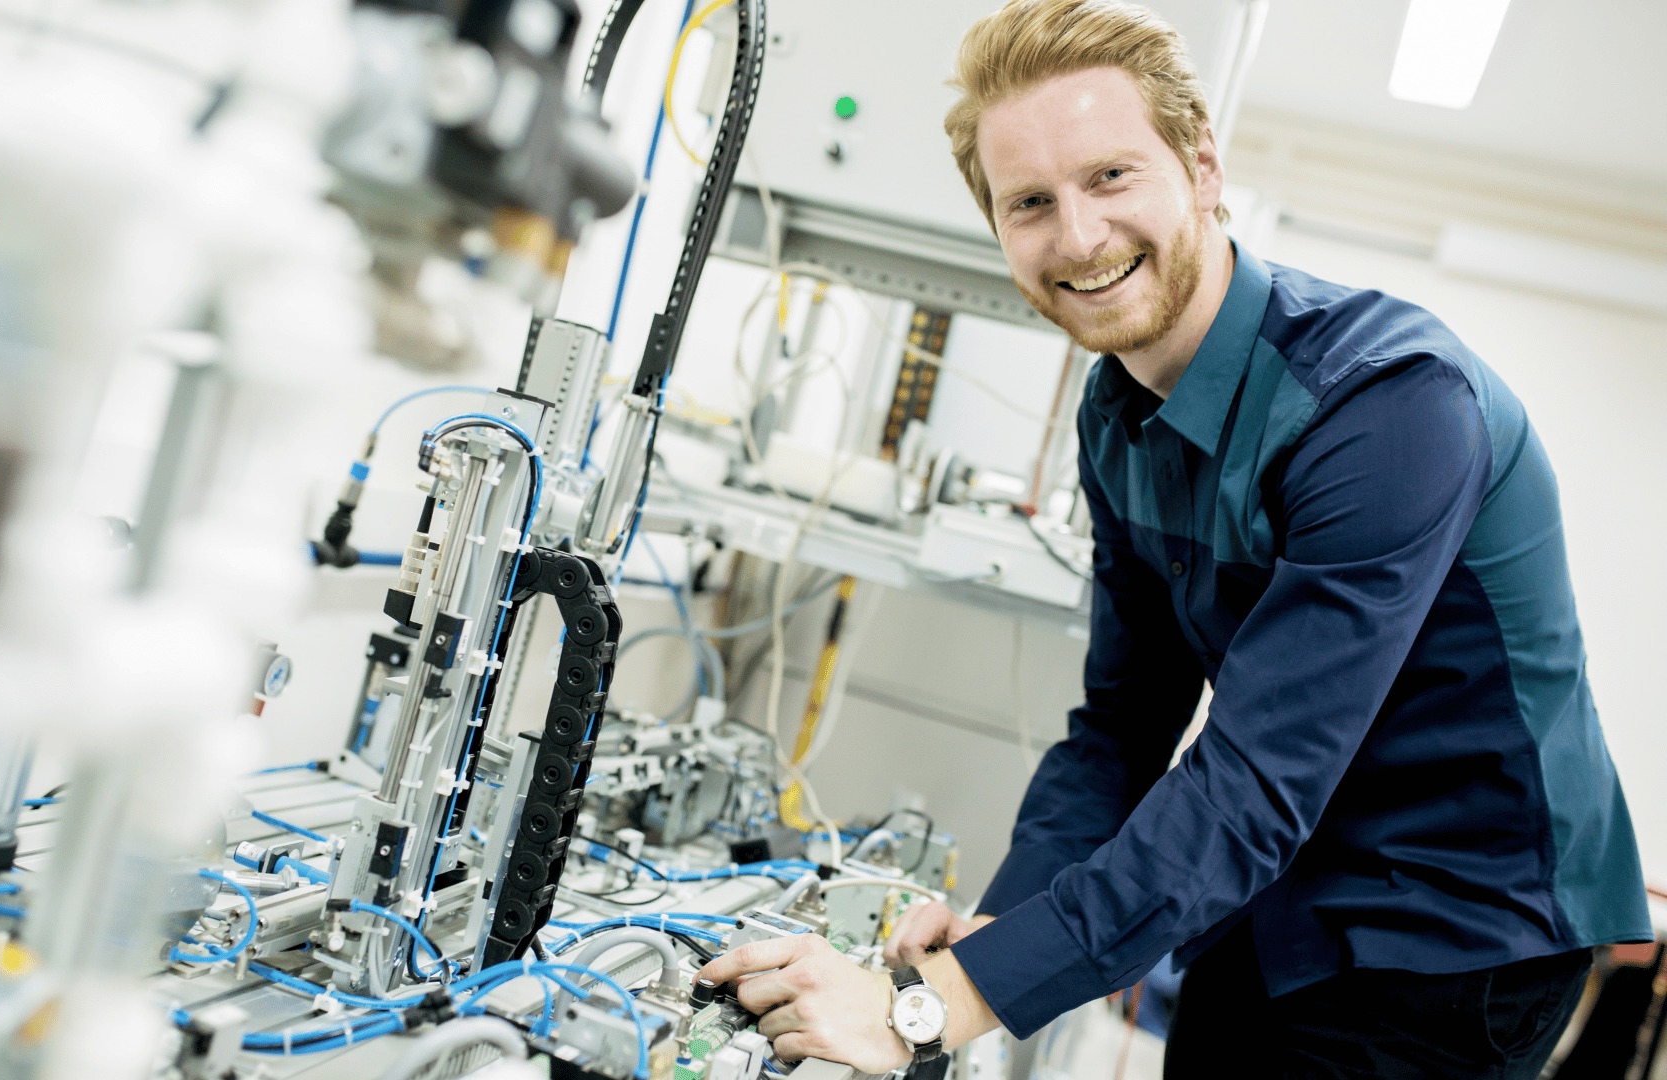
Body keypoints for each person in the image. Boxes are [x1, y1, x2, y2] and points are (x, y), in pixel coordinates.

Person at [693, 1, 1654, 1075]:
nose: (1078, 237)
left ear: (1201, 167)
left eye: (1110, 176)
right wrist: (1000, 930)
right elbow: (1124, 721)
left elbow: (1253, 783)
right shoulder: (1115, 416)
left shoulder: (1387, 405)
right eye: (1030, 202)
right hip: (1275, 894)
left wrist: (926, 1009)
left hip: (1454, 930)